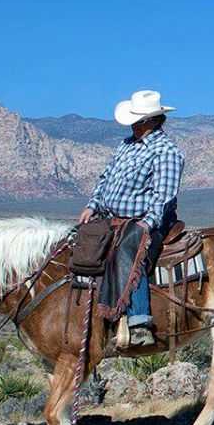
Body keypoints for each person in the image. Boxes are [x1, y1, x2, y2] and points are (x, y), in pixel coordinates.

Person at [78, 90, 184, 346]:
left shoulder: (166, 151)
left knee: (129, 250)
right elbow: (106, 178)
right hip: (111, 216)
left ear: (151, 121)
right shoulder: (126, 145)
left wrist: (146, 223)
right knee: (82, 241)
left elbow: (164, 195)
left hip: (147, 220)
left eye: (137, 121)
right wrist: (93, 205)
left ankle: (139, 322)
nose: (133, 125)